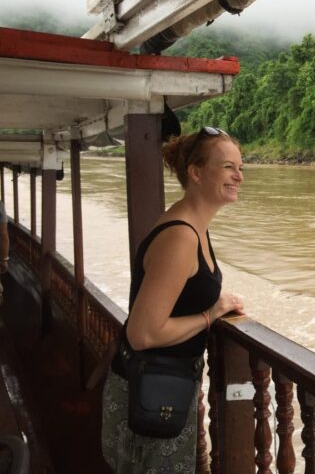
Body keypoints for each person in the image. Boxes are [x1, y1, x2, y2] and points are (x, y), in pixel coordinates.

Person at [101, 127, 245, 473]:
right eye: (228, 167)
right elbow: (143, 334)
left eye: (241, 168)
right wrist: (212, 314)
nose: (239, 176)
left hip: (165, 388)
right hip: (148, 396)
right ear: (196, 173)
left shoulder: (195, 227)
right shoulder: (180, 236)